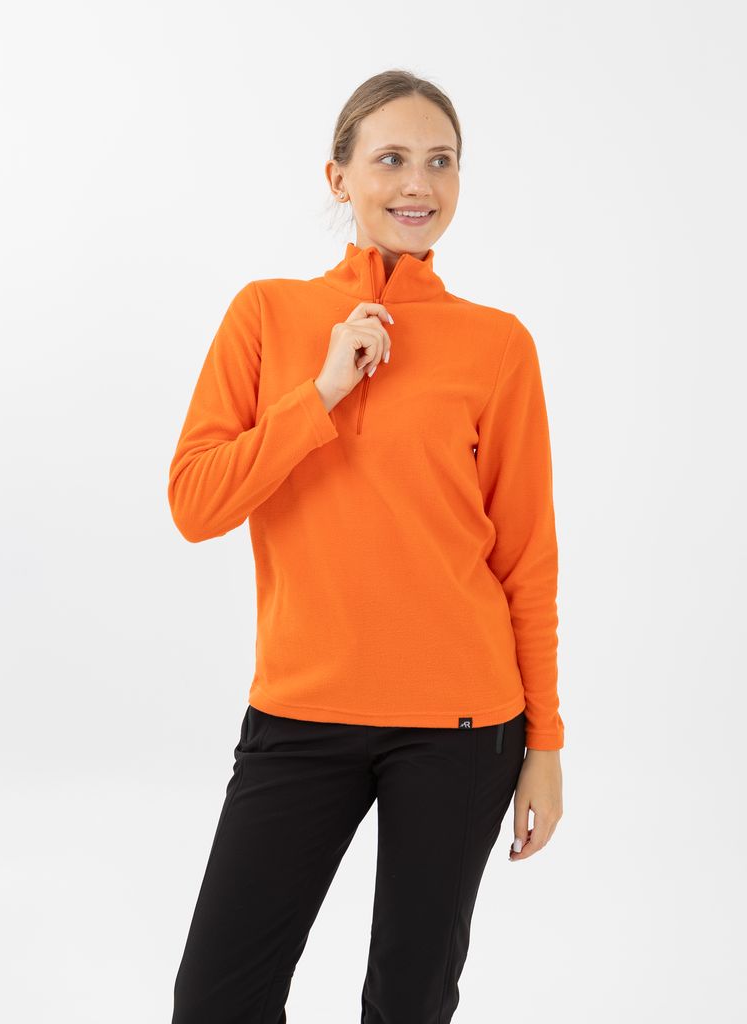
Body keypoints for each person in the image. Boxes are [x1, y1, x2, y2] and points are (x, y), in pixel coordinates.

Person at [167, 68, 565, 1024]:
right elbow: (196, 503)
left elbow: (526, 558)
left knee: (409, 1004)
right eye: (390, 159)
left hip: (463, 728)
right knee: (216, 1000)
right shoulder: (266, 315)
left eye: (441, 161)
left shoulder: (498, 344)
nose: (418, 184)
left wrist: (545, 744)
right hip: (300, 712)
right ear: (339, 176)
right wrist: (321, 395)